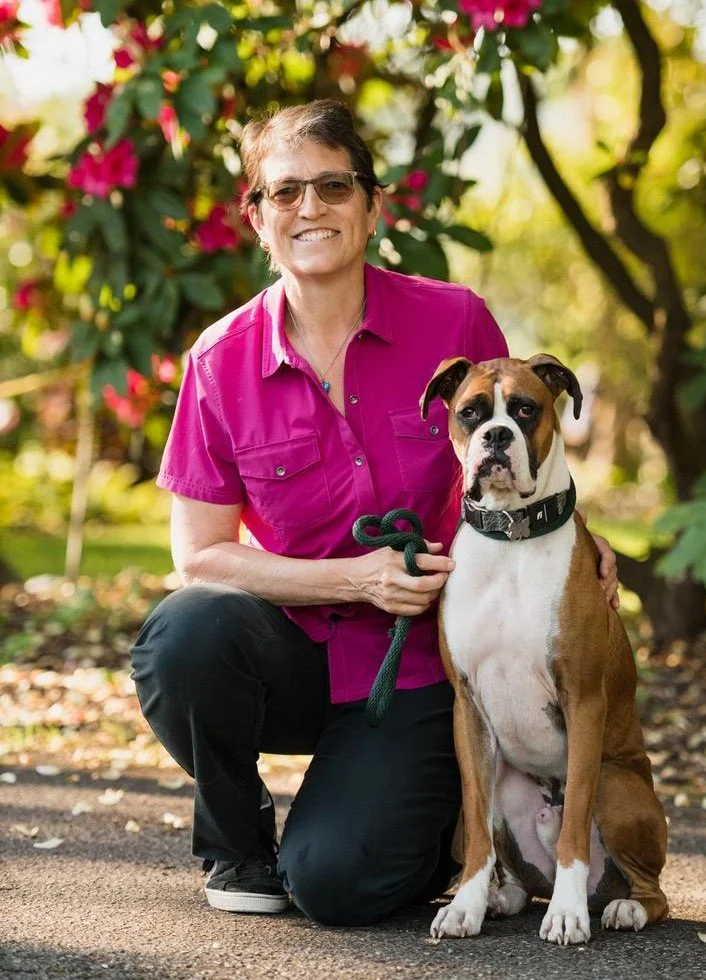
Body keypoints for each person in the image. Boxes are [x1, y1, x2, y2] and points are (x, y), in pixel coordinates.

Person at [130, 99, 618, 927]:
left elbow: (518, 443)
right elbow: (201, 554)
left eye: (333, 186)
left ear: (372, 205)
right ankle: (236, 842)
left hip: (424, 664)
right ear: (256, 218)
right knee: (186, 633)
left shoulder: (452, 319)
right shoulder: (219, 362)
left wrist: (581, 542)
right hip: (292, 653)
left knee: (335, 886)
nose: (310, 208)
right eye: (284, 193)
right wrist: (351, 576)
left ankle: (415, 821)